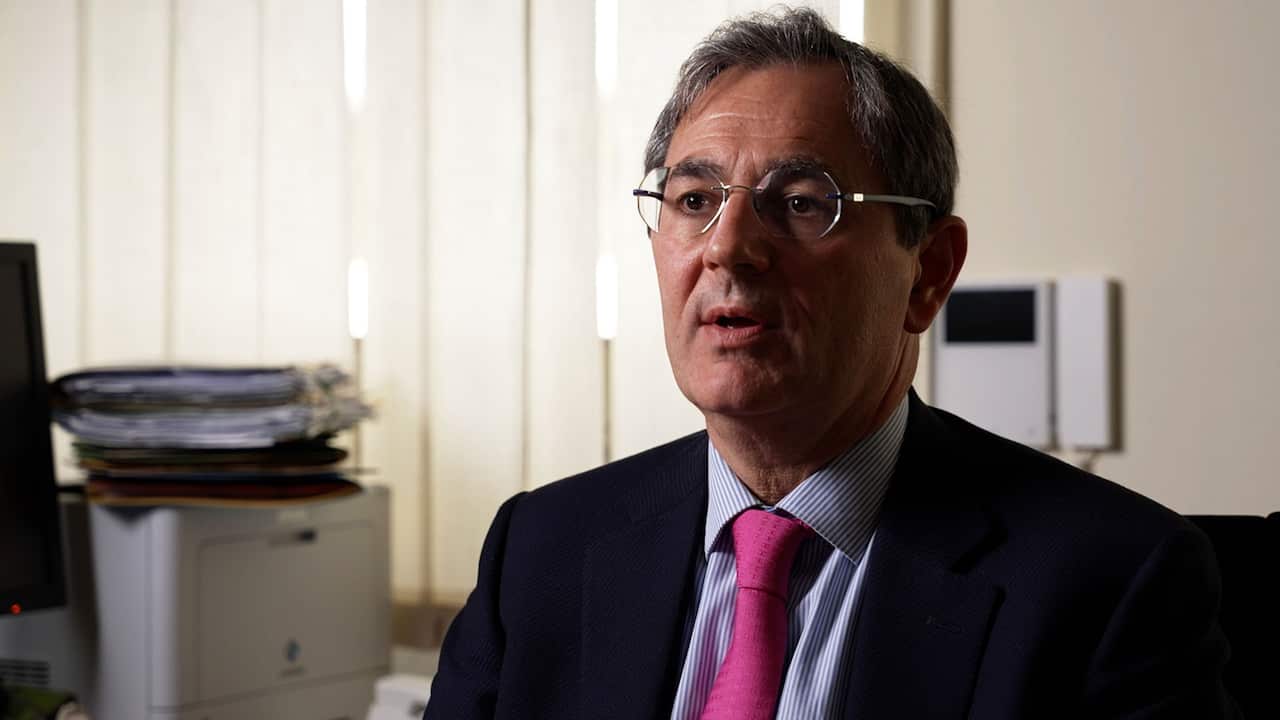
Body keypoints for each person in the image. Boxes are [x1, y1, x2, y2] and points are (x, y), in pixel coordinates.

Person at [424, 7, 1236, 719]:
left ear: (928, 272)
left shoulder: (1111, 581)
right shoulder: (541, 550)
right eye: (695, 200)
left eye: (803, 203)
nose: (729, 249)